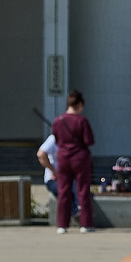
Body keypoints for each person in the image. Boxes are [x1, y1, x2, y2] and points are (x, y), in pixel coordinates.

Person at [49, 92, 95, 233]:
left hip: (63, 158)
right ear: (80, 104)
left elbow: (56, 139)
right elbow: (89, 141)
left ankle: (62, 225)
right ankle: (85, 224)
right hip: (80, 158)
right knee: (82, 190)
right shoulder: (82, 121)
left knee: (63, 191)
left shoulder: (58, 120)